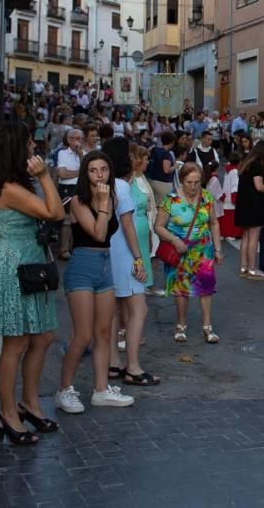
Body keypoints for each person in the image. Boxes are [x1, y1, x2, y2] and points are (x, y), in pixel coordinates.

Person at [0, 124, 64, 442]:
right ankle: (8, 414)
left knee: (43, 336)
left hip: (24, 260)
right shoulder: (9, 189)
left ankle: (29, 403)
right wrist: (43, 176)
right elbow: (54, 211)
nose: (32, 148)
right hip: (13, 264)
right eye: (28, 143)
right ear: (16, 148)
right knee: (15, 343)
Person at [56, 151, 136, 414]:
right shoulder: (79, 201)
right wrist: (102, 203)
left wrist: (106, 200)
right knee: (83, 335)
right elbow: (99, 233)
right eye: (93, 170)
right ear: (85, 173)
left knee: (104, 332)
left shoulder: (112, 196)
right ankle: (64, 389)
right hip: (82, 266)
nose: (100, 174)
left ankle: (101, 390)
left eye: (104, 169)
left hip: (105, 266)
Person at [101, 139, 156, 387]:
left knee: (113, 310)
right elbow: (127, 226)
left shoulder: (107, 184)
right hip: (124, 253)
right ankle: (132, 366)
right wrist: (138, 258)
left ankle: (113, 362)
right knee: (138, 308)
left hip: (108, 253)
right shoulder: (122, 187)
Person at [154, 163, 222, 343]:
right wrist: (174, 240)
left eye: (197, 182)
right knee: (181, 289)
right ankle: (181, 325)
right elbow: (158, 226)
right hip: (179, 249)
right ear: (182, 180)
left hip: (203, 248)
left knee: (206, 287)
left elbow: (214, 223)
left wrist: (217, 248)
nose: (193, 187)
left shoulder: (206, 196)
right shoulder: (171, 200)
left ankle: (207, 327)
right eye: (189, 182)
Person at [235, 142, 264, 280]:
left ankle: (244, 267)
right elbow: (259, 186)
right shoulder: (258, 165)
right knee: (254, 236)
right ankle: (253, 269)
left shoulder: (247, 163)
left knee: (246, 236)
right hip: (254, 204)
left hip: (244, 203)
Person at [56, 129, 84, 260]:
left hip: (79, 187)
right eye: (76, 138)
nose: (79, 141)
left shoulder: (81, 154)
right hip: (67, 187)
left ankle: (75, 246)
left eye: (81, 138)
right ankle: (64, 248)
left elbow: (87, 169)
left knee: (78, 218)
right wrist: (79, 172)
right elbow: (63, 174)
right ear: (69, 140)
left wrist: (80, 155)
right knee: (67, 220)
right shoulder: (62, 153)